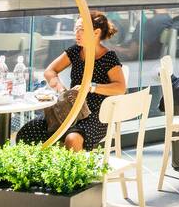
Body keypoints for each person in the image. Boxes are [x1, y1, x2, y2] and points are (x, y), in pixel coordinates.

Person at [16, 10, 127, 150]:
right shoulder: (75, 51)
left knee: (72, 139)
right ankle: (43, 170)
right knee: (27, 132)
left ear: (96, 33)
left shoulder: (108, 57)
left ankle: (76, 171)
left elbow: (120, 88)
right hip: (71, 108)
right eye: (76, 29)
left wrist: (90, 87)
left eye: (81, 30)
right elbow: (50, 71)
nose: (77, 33)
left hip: (97, 114)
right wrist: (61, 90)